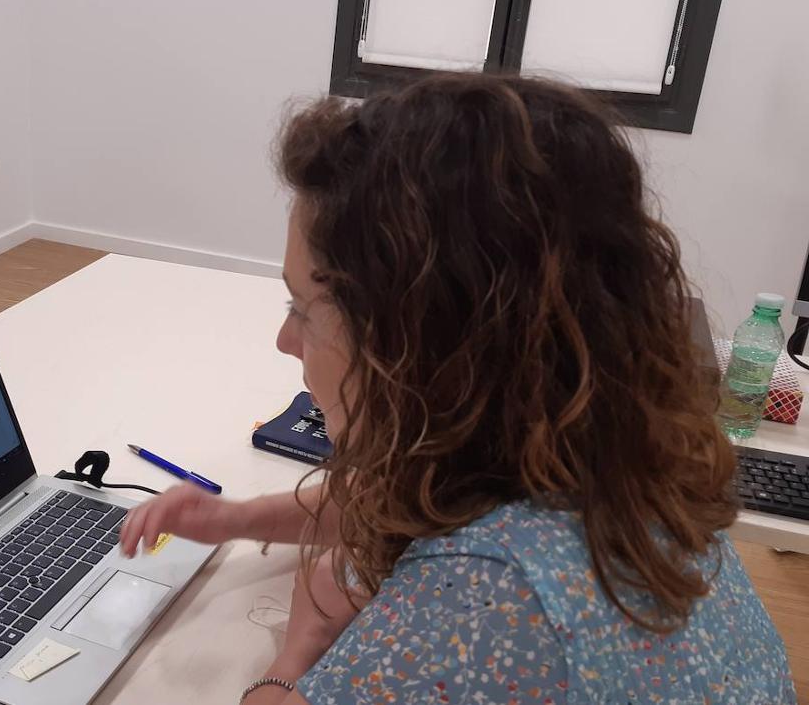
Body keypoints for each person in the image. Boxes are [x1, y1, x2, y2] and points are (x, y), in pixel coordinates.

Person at [119, 74, 794, 703]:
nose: (285, 341)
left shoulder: (472, 613)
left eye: (302, 308)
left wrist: (296, 654)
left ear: (414, 346)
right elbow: (394, 497)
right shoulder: (625, 464)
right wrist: (237, 519)